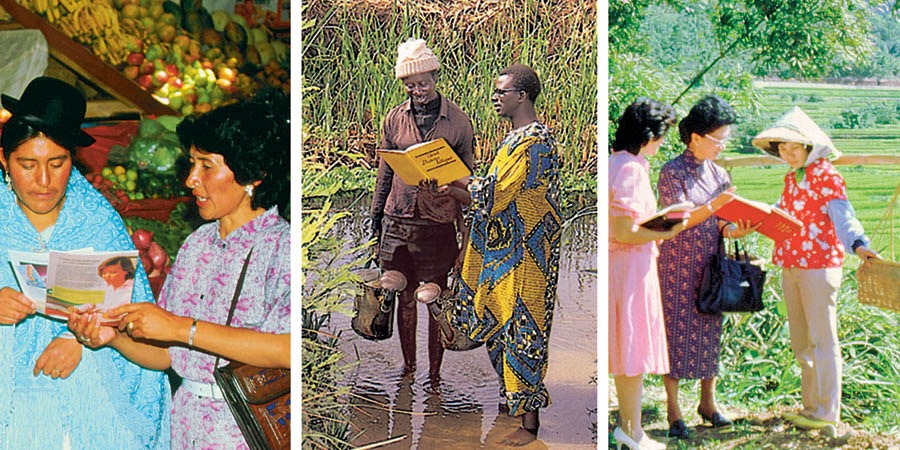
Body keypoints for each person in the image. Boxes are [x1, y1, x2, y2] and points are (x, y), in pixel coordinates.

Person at [69, 91, 291, 449]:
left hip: (244, 431)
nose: (190, 180)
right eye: (191, 164)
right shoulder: (196, 244)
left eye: (206, 166)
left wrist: (180, 327)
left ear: (253, 173)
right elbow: (168, 356)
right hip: (185, 425)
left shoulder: (281, 247)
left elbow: (287, 348)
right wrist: (114, 338)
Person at [0, 76, 171, 448]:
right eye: (27, 164)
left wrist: (80, 339)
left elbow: (135, 314)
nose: (43, 181)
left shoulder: (97, 221)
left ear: (72, 160)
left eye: (57, 163)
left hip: (89, 401)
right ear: (4, 159)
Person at [751, 106, 880, 430]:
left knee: (823, 341)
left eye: (794, 147)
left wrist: (859, 245)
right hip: (791, 265)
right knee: (801, 342)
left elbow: (843, 217)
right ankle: (811, 408)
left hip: (819, 266)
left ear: (810, 147)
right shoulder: (791, 179)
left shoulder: (827, 175)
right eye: (782, 147)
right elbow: (780, 217)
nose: (787, 152)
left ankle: (827, 412)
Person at [449, 63, 558, 447]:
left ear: (522, 96)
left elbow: (492, 196)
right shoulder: (514, 139)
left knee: (523, 334)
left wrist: (456, 177)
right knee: (499, 330)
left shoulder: (533, 142)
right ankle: (512, 408)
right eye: (496, 92)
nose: (496, 98)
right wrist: (447, 187)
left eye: (502, 92)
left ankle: (530, 428)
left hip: (527, 260)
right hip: (504, 256)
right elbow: (486, 200)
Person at [370, 38, 475, 382]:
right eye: (411, 85)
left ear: (435, 76)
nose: (418, 90)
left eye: (424, 83)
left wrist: (465, 235)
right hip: (399, 217)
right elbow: (385, 172)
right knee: (403, 296)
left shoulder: (458, 121)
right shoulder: (394, 120)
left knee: (434, 297)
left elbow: (468, 181)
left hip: (438, 220)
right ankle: (409, 368)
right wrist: (375, 222)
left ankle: (435, 375)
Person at [656, 94, 757, 438]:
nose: (722, 146)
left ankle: (708, 403)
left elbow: (722, 225)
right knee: (675, 333)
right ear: (696, 137)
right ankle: (673, 410)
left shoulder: (720, 174)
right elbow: (677, 217)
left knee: (710, 331)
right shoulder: (671, 171)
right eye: (719, 139)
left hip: (709, 265)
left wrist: (735, 228)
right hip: (675, 264)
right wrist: (716, 205)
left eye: (725, 139)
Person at [609, 97, 686, 450]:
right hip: (629, 269)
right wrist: (667, 231)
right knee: (631, 350)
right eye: (661, 135)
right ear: (648, 134)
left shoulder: (618, 162)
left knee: (627, 353)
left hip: (626, 267)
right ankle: (632, 432)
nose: (663, 143)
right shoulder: (631, 169)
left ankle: (630, 428)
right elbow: (625, 231)